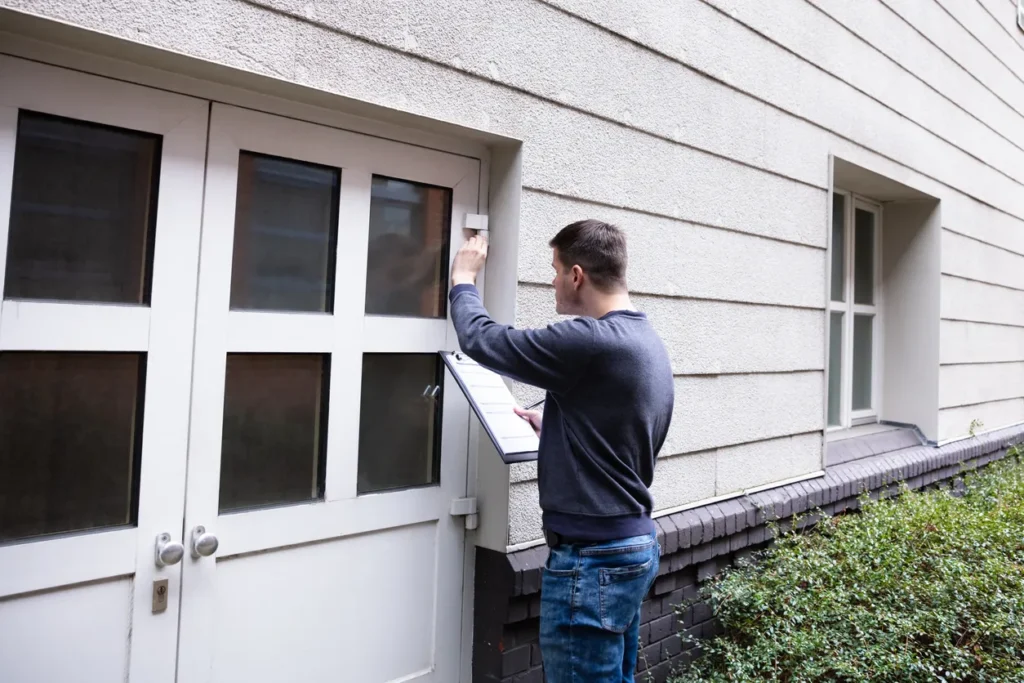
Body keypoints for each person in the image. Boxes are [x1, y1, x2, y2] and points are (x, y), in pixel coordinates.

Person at [448, 219, 675, 682]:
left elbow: (484, 340)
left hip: (593, 562)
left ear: (576, 275)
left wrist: (463, 279)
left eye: (554, 270)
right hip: (630, 545)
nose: (551, 280)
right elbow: (624, 430)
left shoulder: (588, 341)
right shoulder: (645, 341)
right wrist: (556, 425)